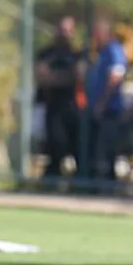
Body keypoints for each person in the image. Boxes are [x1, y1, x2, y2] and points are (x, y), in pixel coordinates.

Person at [34, 15, 83, 180]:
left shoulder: (76, 54)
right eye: (62, 30)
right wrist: (63, 77)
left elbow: (78, 76)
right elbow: (43, 76)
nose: (64, 34)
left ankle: (79, 183)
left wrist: (58, 77)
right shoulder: (46, 53)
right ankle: (51, 181)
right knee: (55, 144)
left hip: (71, 106)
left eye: (68, 30)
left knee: (75, 145)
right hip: (51, 105)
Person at [84, 18, 127, 185]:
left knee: (107, 149)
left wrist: (102, 103)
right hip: (98, 109)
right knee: (96, 148)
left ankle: (108, 187)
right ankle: (95, 184)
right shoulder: (101, 52)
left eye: (97, 33)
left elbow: (115, 77)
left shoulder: (114, 50)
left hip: (109, 110)